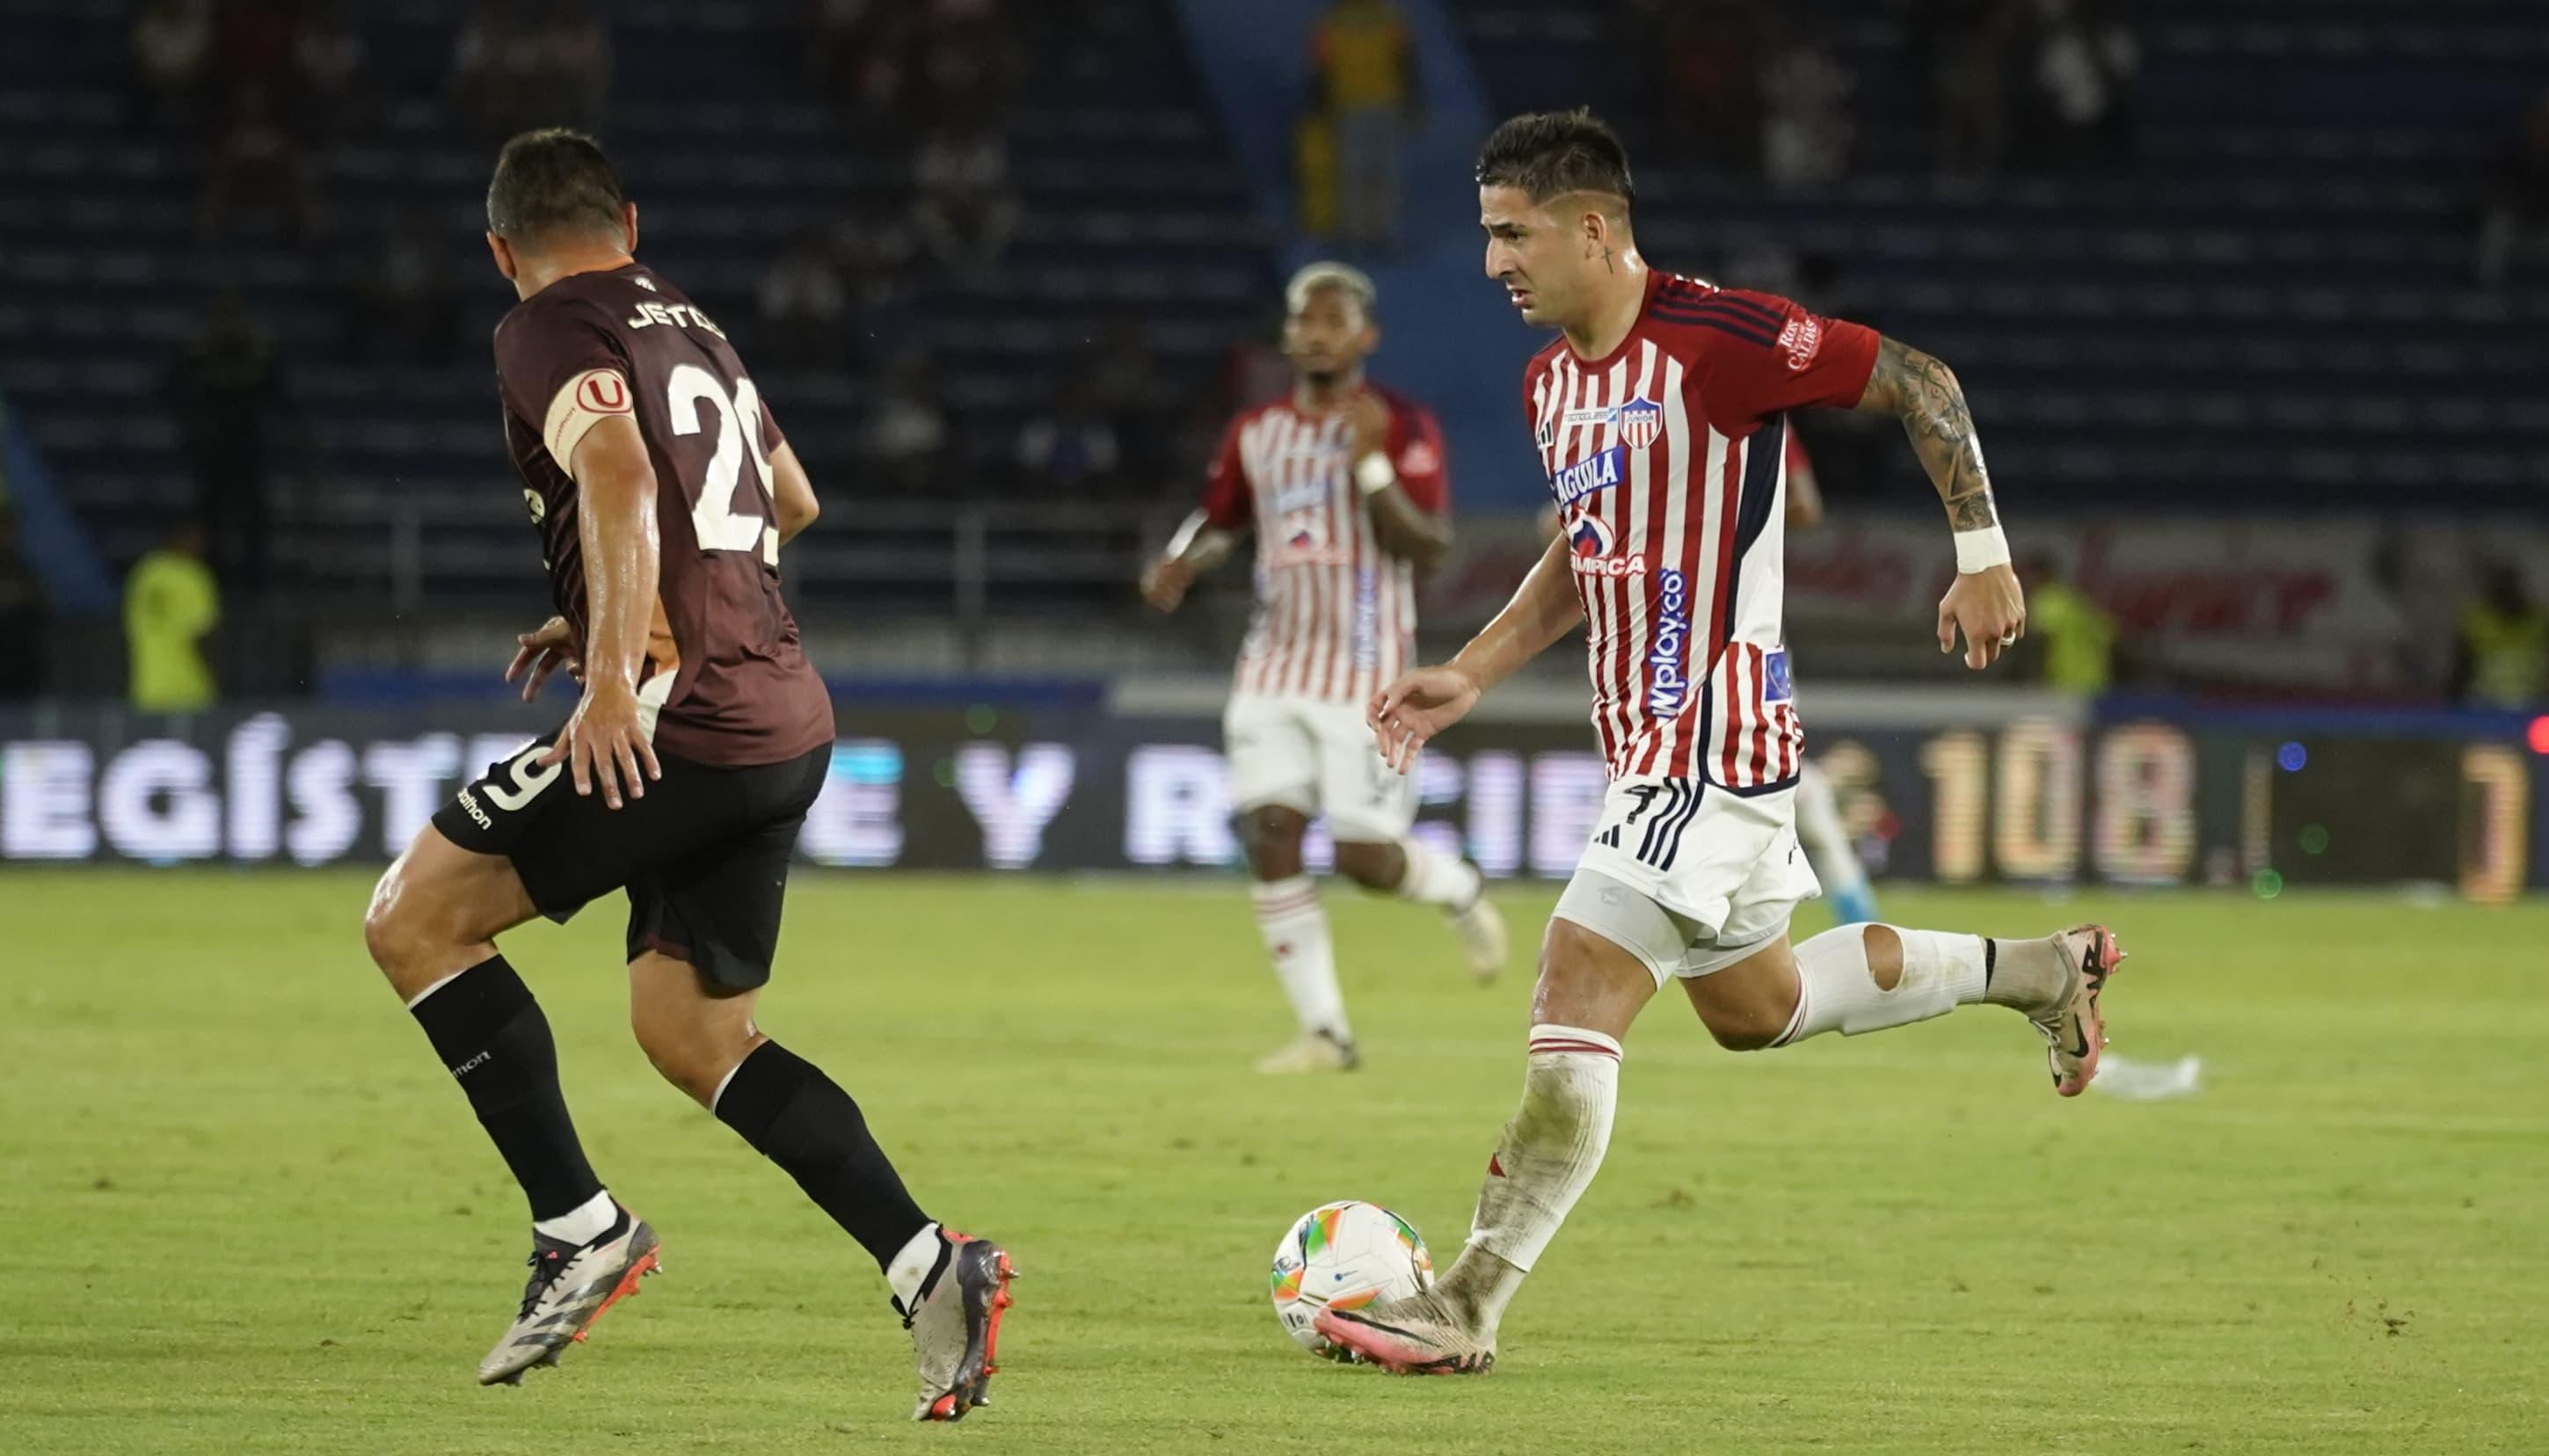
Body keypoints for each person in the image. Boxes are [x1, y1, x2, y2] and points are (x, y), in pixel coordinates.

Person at [1318, 110, 2125, 1373]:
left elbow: (1922, 382)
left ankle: (1464, 1300)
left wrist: (1982, 556)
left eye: (1509, 233)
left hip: (1710, 735)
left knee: (1574, 981)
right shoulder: (1551, 385)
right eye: (1486, 237)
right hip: (1652, 746)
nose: (1492, 264)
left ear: (1593, 228)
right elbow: (1585, 556)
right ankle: (2038, 969)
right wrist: (1466, 671)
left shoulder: (1717, 340)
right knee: (1759, 1008)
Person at [356, 129, 1013, 1422]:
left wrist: (613, 665)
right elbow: (790, 499)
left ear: (500, 251)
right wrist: (620, 599)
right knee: (693, 1030)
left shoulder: (544, 324)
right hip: (781, 716)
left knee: (416, 919)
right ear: (632, 220)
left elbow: (610, 469)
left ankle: (579, 1227)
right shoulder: (695, 328)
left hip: (675, 719)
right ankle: (929, 1263)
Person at [1141, 262, 1507, 1073]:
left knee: (1363, 859)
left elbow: (1430, 546)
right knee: (1269, 831)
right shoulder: (1255, 431)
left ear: (1365, 336)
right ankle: (1326, 1033)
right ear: (1287, 333)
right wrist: (1180, 561)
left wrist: (1372, 466)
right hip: (1271, 665)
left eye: (1332, 321)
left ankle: (1458, 889)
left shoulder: (1401, 424)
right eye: (1304, 320)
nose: (1315, 333)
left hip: (1366, 675)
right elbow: (1222, 518)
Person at [1307, 0, 1421, 248]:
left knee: (1361, 171)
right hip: (1371, 103)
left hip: (1358, 104)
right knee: (1376, 171)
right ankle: (1373, 235)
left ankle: (1368, 235)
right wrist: (1413, 100)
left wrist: (1319, 103)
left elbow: (1319, 65)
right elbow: (1407, 59)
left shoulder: (1336, 18)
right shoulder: (1388, 15)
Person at [125, 521, 222, 712]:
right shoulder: (192, 575)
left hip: (148, 688)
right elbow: (205, 633)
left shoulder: (145, 572)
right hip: (190, 687)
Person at [2448, 564, 2547, 708]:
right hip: (2486, 709)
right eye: (2501, 588)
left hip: (2534, 707)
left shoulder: (2541, 623)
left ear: (2520, 588)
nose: (2506, 592)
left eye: (2510, 586)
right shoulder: (2475, 625)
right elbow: (2460, 673)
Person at [2021, 553, 2115, 695]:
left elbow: (2040, 643)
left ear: (2040, 575)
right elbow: (2110, 636)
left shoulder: (2046, 600)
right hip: (2096, 681)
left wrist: (2036, 680)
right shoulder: (2074, 600)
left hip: (2063, 683)